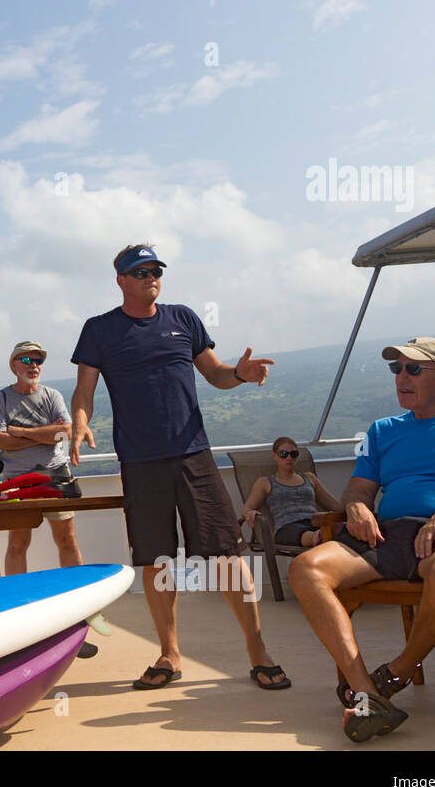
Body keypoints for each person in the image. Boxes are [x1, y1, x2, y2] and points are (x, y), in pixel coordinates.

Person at [69, 243, 290, 692]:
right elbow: (84, 391)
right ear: (121, 281)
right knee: (157, 560)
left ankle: (258, 652)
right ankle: (170, 654)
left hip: (194, 454)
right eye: (140, 271)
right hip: (140, 461)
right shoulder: (100, 330)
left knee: (228, 555)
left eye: (155, 270)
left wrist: (242, 374)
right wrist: (78, 423)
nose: (151, 276)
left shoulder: (183, 318)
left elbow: (216, 374)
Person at [288, 337, 435, 743]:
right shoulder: (382, 430)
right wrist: (356, 507)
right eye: (397, 369)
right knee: (306, 568)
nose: (401, 378)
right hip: (389, 534)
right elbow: (359, 488)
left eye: (413, 369)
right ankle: (365, 691)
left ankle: (396, 672)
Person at [0, 340, 97, 658]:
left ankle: (77, 612)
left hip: (55, 475)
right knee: (18, 543)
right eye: (26, 359)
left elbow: (64, 432)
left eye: (38, 360)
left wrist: (19, 432)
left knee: (68, 541)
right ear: (14, 365)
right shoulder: (1, 398)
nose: (34, 365)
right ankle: (19, 613)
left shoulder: (52, 395)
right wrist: (42, 434)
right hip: (17, 481)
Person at [240, 437, 341, 548]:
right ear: (275, 455)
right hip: (287, 528)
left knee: (332, 529)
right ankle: (319, 537)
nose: (289, 457)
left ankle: (323, 536)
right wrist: (250, 513)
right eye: (283, 454)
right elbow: (247, 508)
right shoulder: (266, 482)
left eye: (293, 454)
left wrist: (355, 509)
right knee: (311, 533)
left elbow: (334, 505)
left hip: (314, 522)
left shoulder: (309, 478)